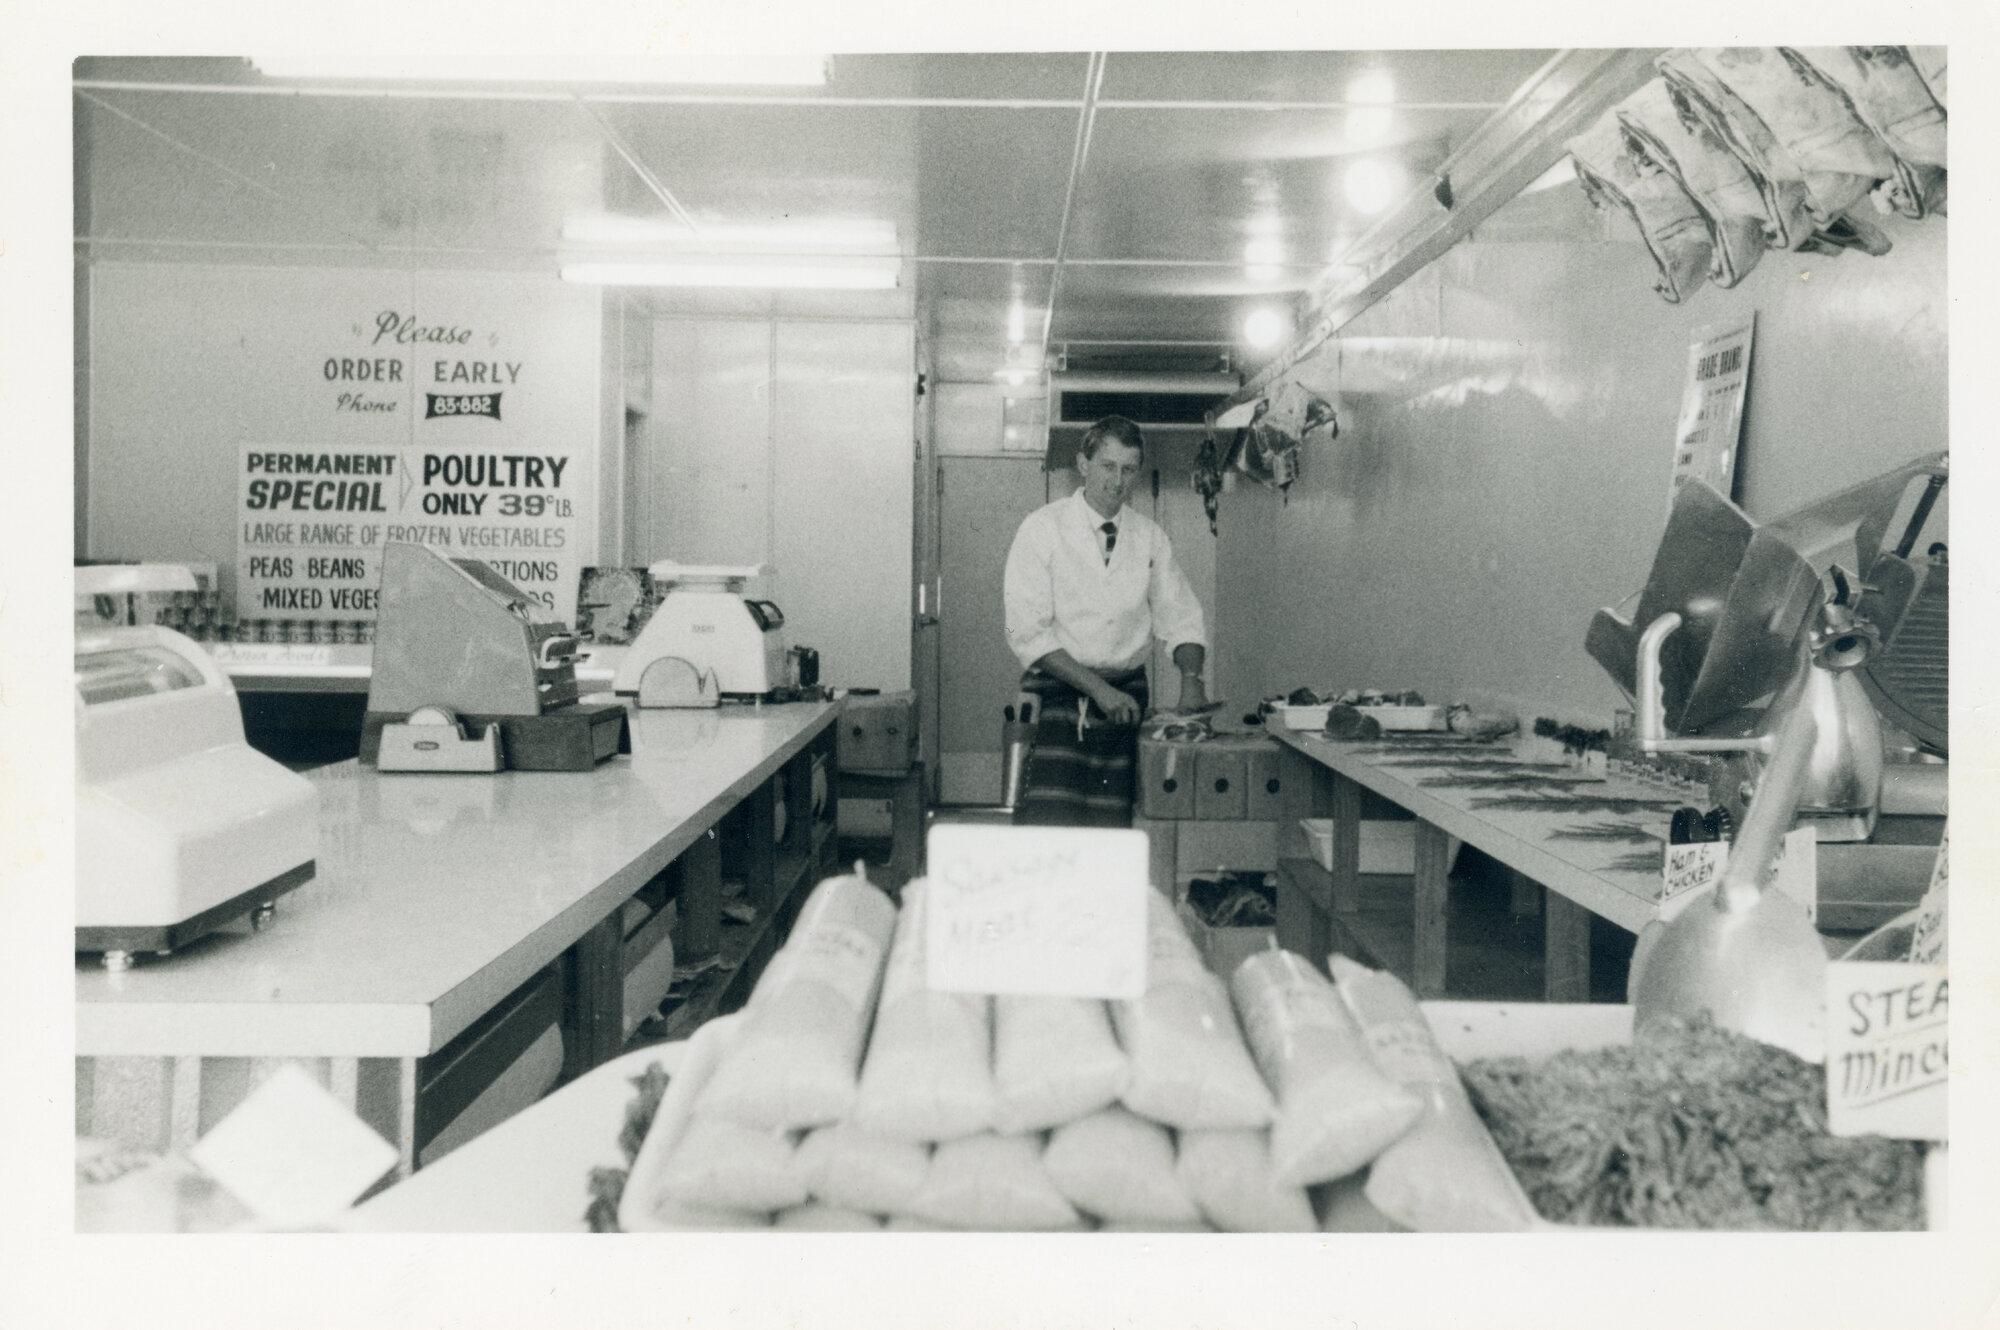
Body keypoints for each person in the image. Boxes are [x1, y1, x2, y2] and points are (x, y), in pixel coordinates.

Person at [1002, 415, 1208, 826]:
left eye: (1129, 469)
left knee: (1115, 833)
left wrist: (1191, 681)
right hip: (1057, 701)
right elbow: (1028, 633)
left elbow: (1181, 617)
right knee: (1050, 836)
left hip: (1125, 706)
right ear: (1083, 464)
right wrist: (1098, 690)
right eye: (1108, 466)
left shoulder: (1150, 537)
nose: (1118, 481)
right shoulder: (1042, 529)